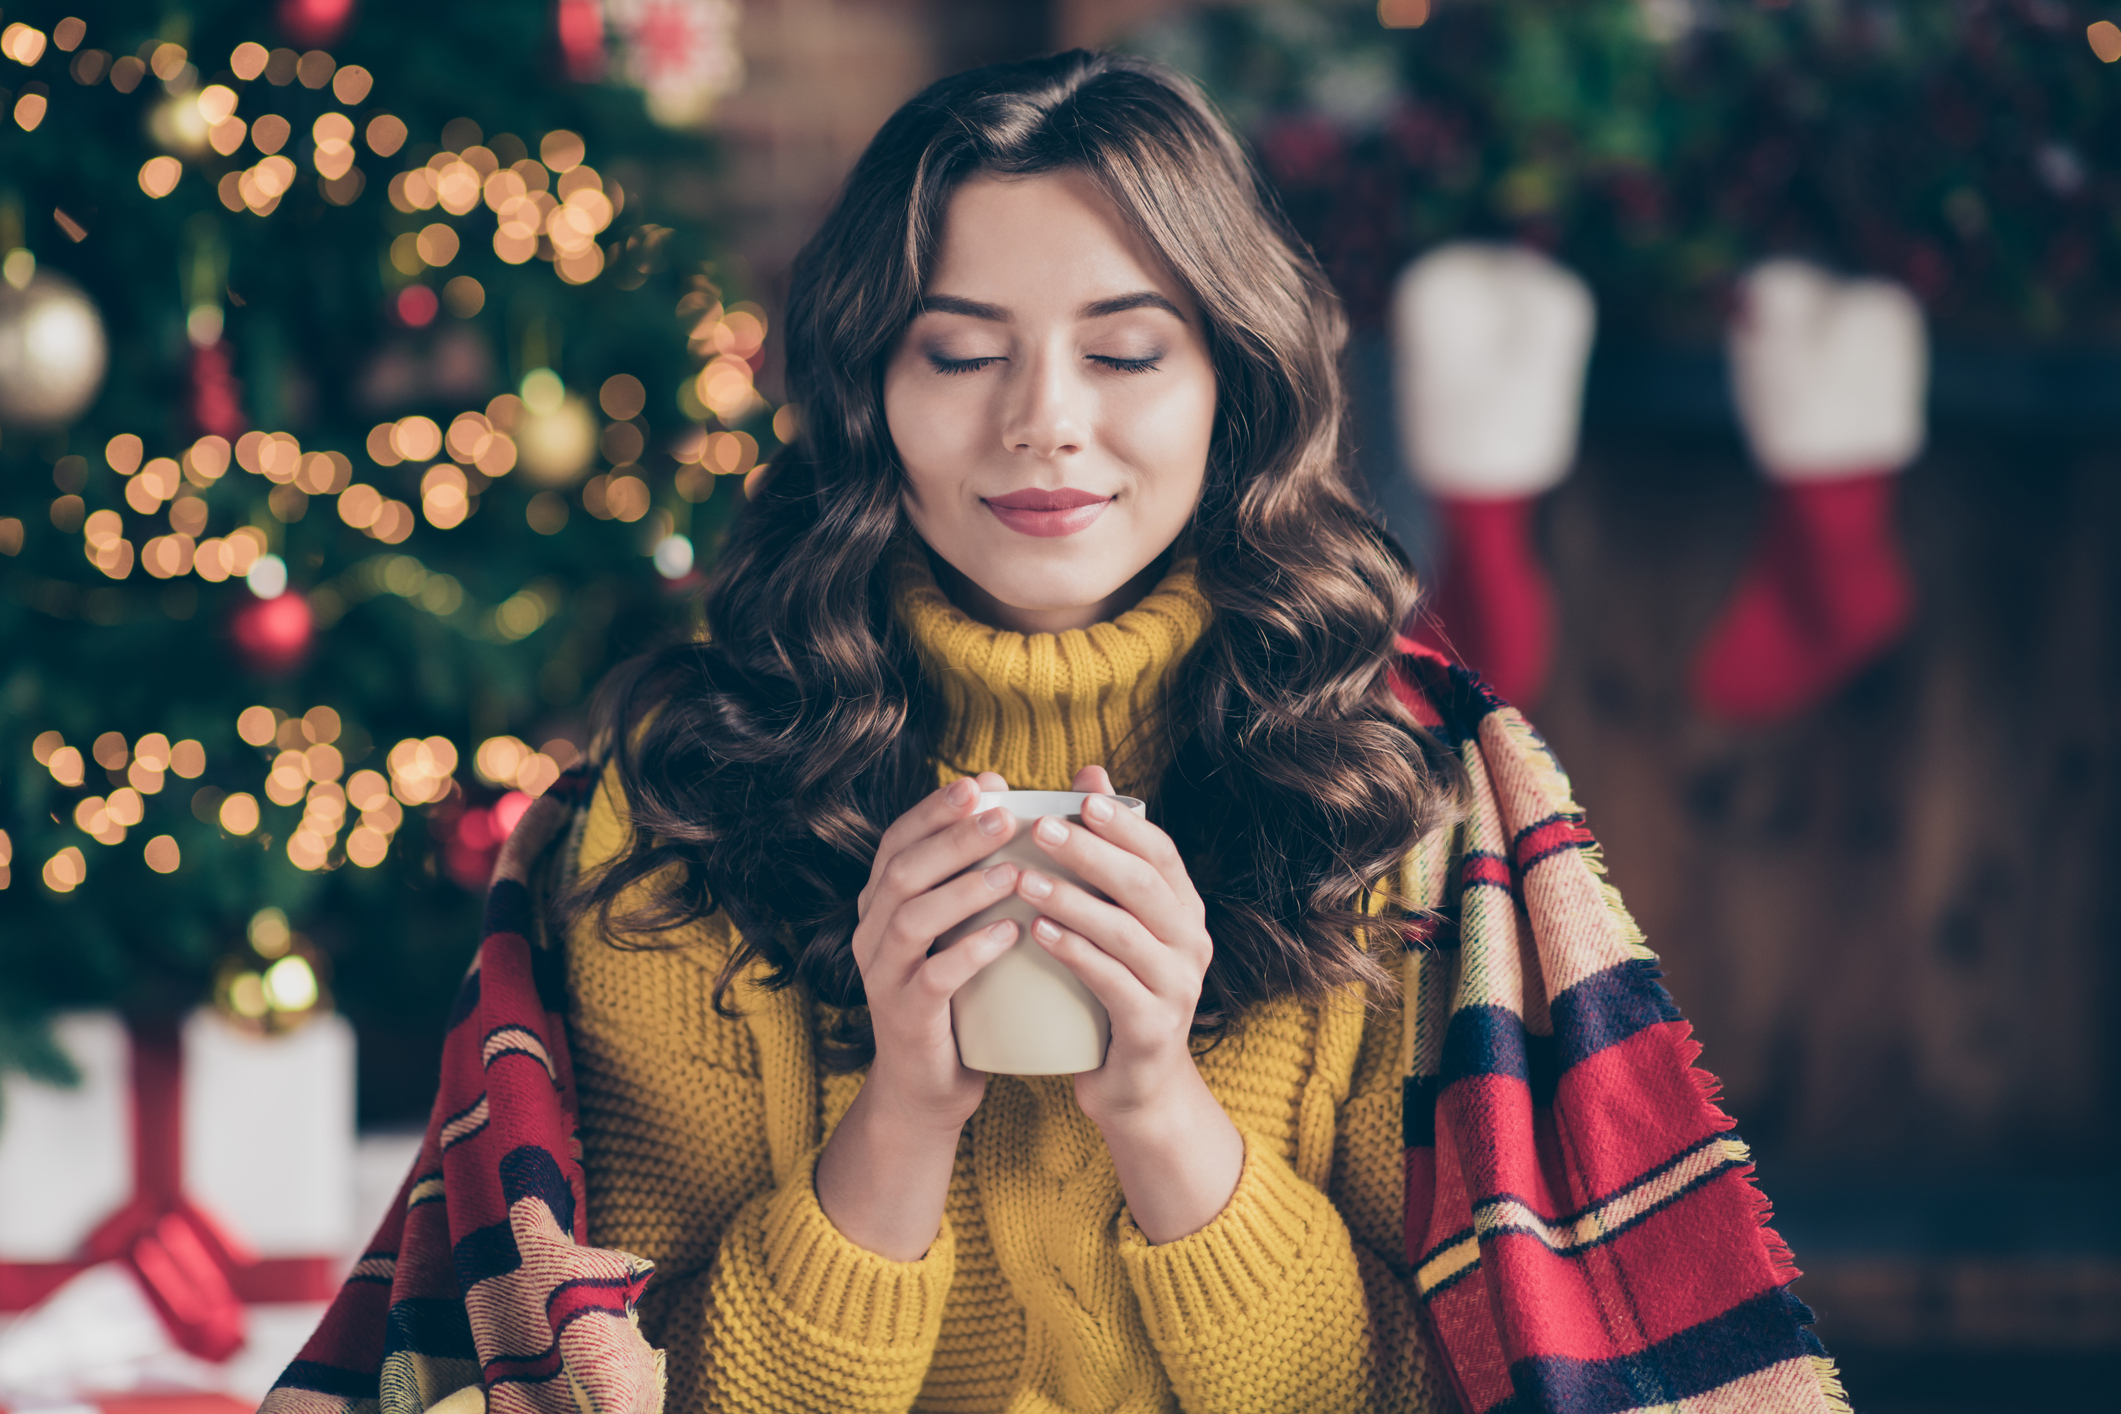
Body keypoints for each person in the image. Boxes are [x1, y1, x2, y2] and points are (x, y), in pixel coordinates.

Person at [267, 49, 1842, 1414]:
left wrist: (1155, 1097)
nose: (1042, 421)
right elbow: (627, 1389)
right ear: (865, 385)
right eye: (958, 352)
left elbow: (1435, 1381)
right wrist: (900, 1104)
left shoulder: (1391, 789)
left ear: (1232, 377)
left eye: (1125, 350)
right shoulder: (689, 793)